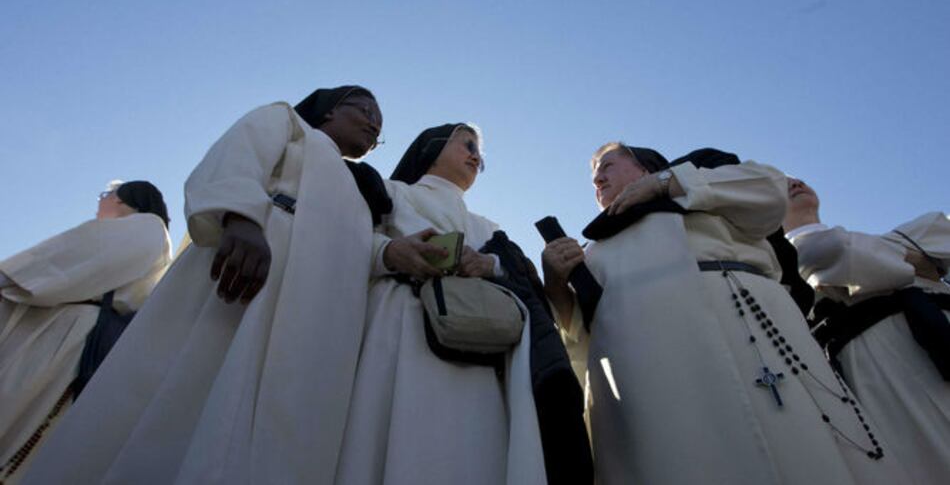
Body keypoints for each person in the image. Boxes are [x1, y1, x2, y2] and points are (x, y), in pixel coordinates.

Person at [24, 85, 390, 485]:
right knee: (191, 390)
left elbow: (356, 244)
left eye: (381, 125)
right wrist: (241, 219)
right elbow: (237, 158)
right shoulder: (285, 123)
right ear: (329, 109)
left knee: (281, 421)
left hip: (312, 301)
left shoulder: (357, 188)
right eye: (366, 110)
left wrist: (391, 253)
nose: (374, 124)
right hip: (248, 266)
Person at [541, 144, 908, 484]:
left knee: (795, 443)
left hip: (741, 325)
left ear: (646, 166)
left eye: (607, 166)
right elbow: (581, 337)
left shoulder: (697, 184)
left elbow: (768, 187)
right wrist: (558, 288)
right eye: (593, 179)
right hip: (649, 371)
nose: (598, 179)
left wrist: (667, 182)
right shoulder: (592, 250)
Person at [335, 123, 589, 485]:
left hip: (483, 351)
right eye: (466, 144)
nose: (475, 155)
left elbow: (525, 285)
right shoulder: (389, 193)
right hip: (402, 333)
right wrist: (390, 252)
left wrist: (493, 265)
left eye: (479, 153)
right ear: (430, 147)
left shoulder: (488, 226)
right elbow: (340, 239)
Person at [0, 180, 172, 483]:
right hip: (55, 330)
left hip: (60, 339)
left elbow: (63, 262)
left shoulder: (147, 227)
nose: (100, 202)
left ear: (121, 200)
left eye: (105, 195)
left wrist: (9, 276)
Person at [784, 177, 950, 484]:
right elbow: (826, 254)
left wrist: (883, 258)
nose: (793, 182)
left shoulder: (911, 235)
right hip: (881, 375)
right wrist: (911, 260)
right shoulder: (783, 278)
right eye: (777, 186)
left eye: (796, 179)